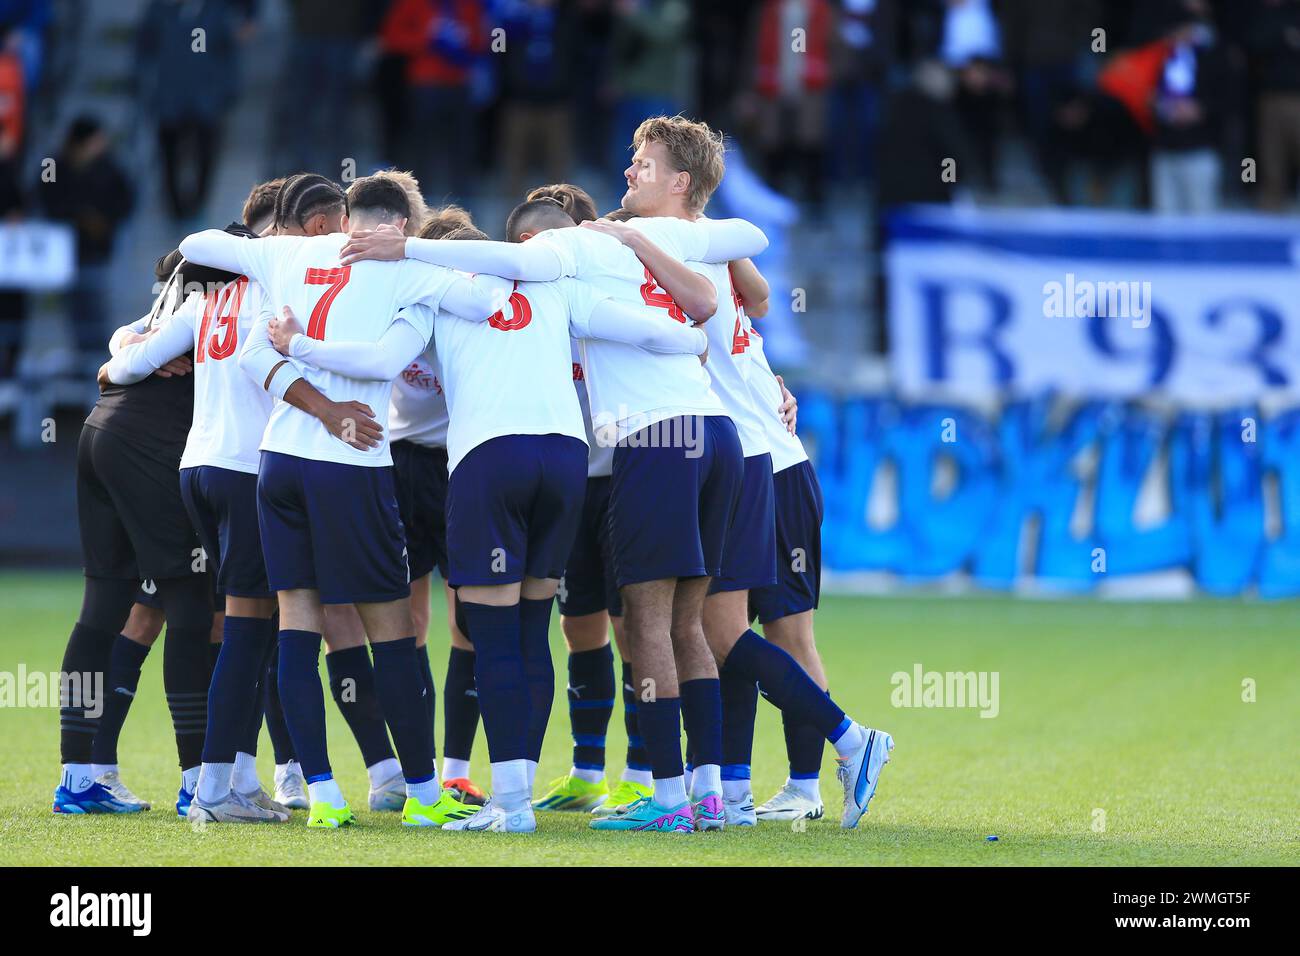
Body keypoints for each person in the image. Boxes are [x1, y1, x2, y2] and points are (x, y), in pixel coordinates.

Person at [339, 148, 767, 834]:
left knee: (493, 635)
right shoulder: (562, 287)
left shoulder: (435, 286)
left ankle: (511, 807)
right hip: (568, 463)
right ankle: (664, 788)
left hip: (488, 460)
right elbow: (667, 333)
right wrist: (710, 357)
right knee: (544, 634)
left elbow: (382, 361)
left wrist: (301, 352)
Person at [589, 115, 894, 829]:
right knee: (730, 634)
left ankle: (844, 746)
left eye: (643, 162)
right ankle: (745, 788)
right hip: (757, 453)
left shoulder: (679, 251)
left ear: (682, 183)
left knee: (725, 633)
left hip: (756, 459)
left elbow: (729, 300)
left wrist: (628, 235)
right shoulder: (709, 245)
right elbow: (753, 300)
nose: (629, 171)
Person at [178, 174, 507, 828]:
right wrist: (414, 255)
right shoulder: (405, 271)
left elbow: (199, 246)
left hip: (279, 464)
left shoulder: (285, 254)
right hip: (350, 466)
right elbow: (489, 301)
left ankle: (322, 795)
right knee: (392, 631)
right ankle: (419, 791)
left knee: (297, 625)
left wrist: (301, 352)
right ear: (396, 226)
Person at [35, 116, 135, 363]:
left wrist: (104, 221)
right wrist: (78, 215)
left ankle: (97, 356)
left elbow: (126, 199)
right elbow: (44, 195)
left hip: (96, 249)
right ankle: (81, 355)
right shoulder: (53, 163)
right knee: (74, 308)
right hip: (63, 250)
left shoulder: (109, 167)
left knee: (95, 304)